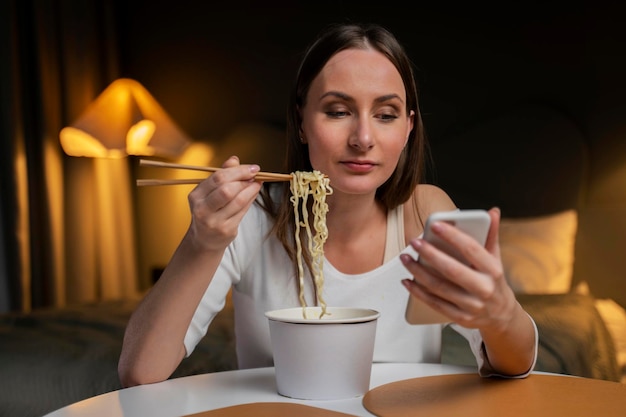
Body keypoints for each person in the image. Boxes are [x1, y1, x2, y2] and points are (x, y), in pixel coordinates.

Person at [118, 22, 538, 387]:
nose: (363, 138)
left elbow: (514, 364)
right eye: (338, 111)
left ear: (409, 128)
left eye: (386, 115)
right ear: (301, 121)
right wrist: (201, 241)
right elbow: (139, 373)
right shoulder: (251, 214)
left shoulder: (423, 213)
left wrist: (499, 312)